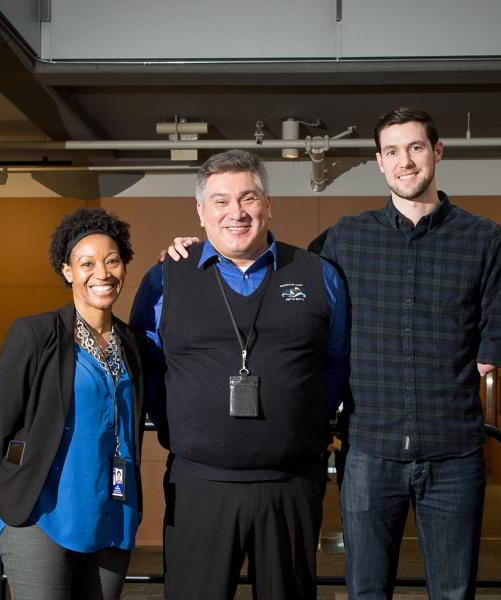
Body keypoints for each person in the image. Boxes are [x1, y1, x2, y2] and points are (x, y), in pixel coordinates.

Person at [129, 149, 348, 599]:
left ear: (267, 204)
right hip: (199, 484)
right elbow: (147, 367)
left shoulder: (318, 274)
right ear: (201, 212)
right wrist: (182, 427)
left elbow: (336, 364)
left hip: (291, 484)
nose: (236, 212)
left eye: (247, 198)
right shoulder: (166, 277)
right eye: (221, 201)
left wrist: (296, 424)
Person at [322, 107, 501, 599]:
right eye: (392, 151)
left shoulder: (485, 239)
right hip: (368, 450)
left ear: (437, 152)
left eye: (415, 147)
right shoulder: (345, 238)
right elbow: (289, 288)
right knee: (366, 592)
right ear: (380, 163)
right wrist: (199, 249)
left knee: (453, 593)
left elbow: (496, 329)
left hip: (454, 451)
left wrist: (485, 352)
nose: (405, 161)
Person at [0, 208, 145, 600]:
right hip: (41, 513)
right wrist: (10, 498)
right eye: (86, 263)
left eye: (112, 261)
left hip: (111, 511)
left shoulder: (132, 344)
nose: (101, 273)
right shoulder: (34, 334)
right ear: (67, 270)